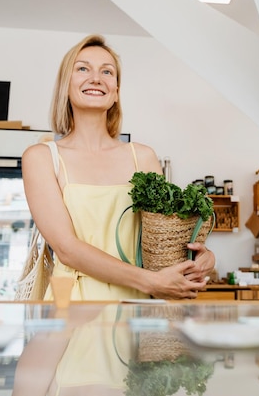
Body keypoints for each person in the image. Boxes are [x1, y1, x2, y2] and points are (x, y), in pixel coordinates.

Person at [21, 34, 215, 302]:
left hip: (137, 303)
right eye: (82, 68)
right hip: (73, 303)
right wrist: (152, 281)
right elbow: (66, 249)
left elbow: (163, 240)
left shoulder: (143, 157)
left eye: (107, 72)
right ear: (66, 86)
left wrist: (201, 257)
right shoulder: (41, 158)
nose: (96, 78)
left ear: (116, 92)